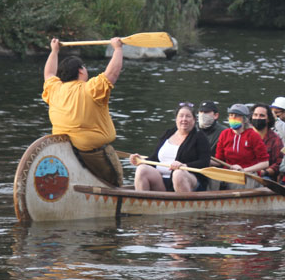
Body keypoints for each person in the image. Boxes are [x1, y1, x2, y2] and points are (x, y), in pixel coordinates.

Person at [42, 37, 124, 186]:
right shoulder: (91, 89)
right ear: (80, 71)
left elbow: (48, 74)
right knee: (114, 184)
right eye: (84, 67)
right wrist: (117, 49)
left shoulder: (54, 88)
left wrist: (54, 51)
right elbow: (112, 74)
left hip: (66, 153)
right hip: (95, 155)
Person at [128, 102, 210, 192]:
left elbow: (204, 162)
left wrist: (184, 165)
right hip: (161, 181)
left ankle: (183, 204)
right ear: (176, 119)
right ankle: (142, 203)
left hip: (188, 181)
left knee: (178, 174)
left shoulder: (200, 137)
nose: (184, 119)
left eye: (188, 116)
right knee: (141, 169)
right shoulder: (168, 133)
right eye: (181, 116)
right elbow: (155, 158)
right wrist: (141, 160)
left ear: (194, 120)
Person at [214, 104, 270, 180]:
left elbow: (265, 163)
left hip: (248, 174)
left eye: (237, 116)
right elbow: (219, 160)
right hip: (228, 173)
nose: (233, 118)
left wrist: (243, 170)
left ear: (244, 119)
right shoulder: (224, 134)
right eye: (231, 115)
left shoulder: (253, 135)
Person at [251, 103, 283, 179]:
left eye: (261, 115)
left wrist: (265, 172)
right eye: (255, 115)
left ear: (268, 119)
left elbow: (278, 164)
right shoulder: (245, 135)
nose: (258, 118)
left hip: (265, 176)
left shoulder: (275, 139)